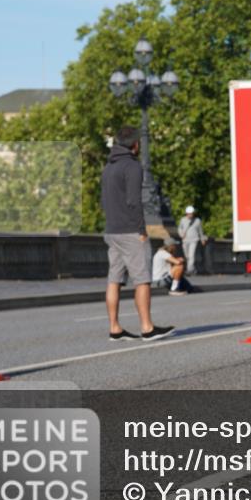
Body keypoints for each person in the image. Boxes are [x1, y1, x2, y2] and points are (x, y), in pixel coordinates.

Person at [100, 126, 174, 342]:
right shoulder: (132, 166)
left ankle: (115, 328)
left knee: (114, 279)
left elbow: (104, 200)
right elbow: (134, 201)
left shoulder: (108, 167)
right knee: (142, 279)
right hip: (131, 231)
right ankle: (147, 327)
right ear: (135, 144)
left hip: (112, 230)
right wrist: (142, 230)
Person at [178, 206, 207, 275]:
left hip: (194, 240)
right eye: (189, 213)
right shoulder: (183, 220)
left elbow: (200, 231)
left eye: (191, 213)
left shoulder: (197, 221)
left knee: (191, 255)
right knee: (187, 256)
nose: (190, 215)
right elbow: (179, 228)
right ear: (186, 213)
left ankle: (189, 270)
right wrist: (181, 234)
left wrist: (202, 239)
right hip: (185, 240)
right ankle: (193, 269)